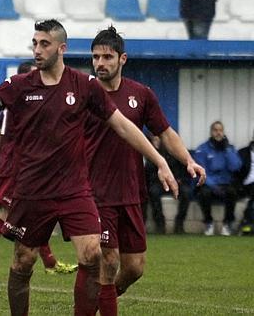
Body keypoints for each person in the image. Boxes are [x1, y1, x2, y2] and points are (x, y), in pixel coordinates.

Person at [0, 19, 179, 315]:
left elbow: (124, 127)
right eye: (35, 43)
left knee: (92, 255)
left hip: (76, 190)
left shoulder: (85, 86)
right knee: (24, 260)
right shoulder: (18, 86)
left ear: (61, 48)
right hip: (33, 190)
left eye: (44, 44)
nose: (37, 49)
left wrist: (160, 160)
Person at [85, 26, 205, 315]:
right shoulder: (84, 94)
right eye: (95, 57)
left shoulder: (141, 94)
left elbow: (164, 132)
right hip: (95, 192)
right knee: (109, 260)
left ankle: (99, 301)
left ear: (122, 59)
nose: (100, 63)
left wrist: (188, 160)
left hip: (130, 191)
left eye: (107, 57)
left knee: (135, 268)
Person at [0, 60, 78, 276]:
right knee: (5, 212)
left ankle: (50, 263)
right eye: (35, 74)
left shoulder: (30, 103)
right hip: (15, 166)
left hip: (26, 165)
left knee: (35, 213)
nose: (40, 78)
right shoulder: (16, 104)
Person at [194, 121, 242, 236]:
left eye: (220, 130)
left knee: (232, 192)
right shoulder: (203, 149)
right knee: (203, 194)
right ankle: (209, 223)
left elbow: (236, 167)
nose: (218, 133)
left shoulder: (229, 148)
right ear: (211, 132)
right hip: (209, 184)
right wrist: (213, 186)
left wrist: (227, 150)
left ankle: (227, 224)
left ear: (223, 132)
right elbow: (201, 171)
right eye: (215, 130)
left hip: (226, 183)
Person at [145, 135, 194, 234]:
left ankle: (179, 223)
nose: (157, 142)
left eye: (158, 139)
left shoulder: (173, 152)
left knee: (186, 192)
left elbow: (182, 168)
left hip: (174, 181)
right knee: (153, 192)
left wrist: (179, 179)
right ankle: (160, 223)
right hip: (159, 183)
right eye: (154, 139)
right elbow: (149, 173)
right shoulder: (151, 155)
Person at [237, 132, 254, 234]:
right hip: (246, 185)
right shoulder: (243, 153)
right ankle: (247, 223)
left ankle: (246, 222)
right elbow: (236, 170)